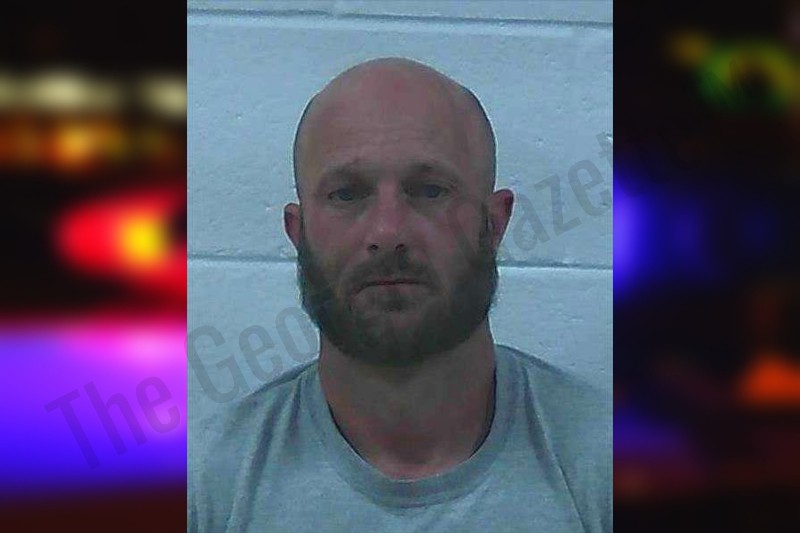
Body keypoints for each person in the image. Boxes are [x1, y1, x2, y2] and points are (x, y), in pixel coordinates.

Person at [189, 57, 611, 532]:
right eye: (347, 194)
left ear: (494, 224)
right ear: (298, 231)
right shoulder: (207, 486)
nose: (388, 232)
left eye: (429, 191)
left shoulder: (605, 466)